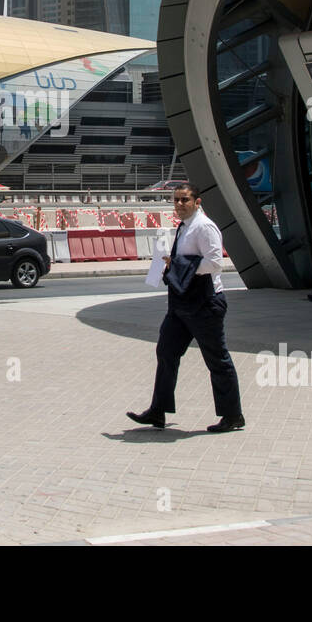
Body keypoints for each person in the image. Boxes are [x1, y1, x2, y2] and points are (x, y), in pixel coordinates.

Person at [127, 182, 245, 433]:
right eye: (176, 200)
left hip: (205, 303)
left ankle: (233, 415)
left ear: (197, 202)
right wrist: (171, 265)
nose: (179, 204)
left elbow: (214, 263)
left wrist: (179, 265)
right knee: (166, 352)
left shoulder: (205, 227)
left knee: (217, 359)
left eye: (184, 200)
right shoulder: (185, 226)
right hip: (181, 303)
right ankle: (158, 411)